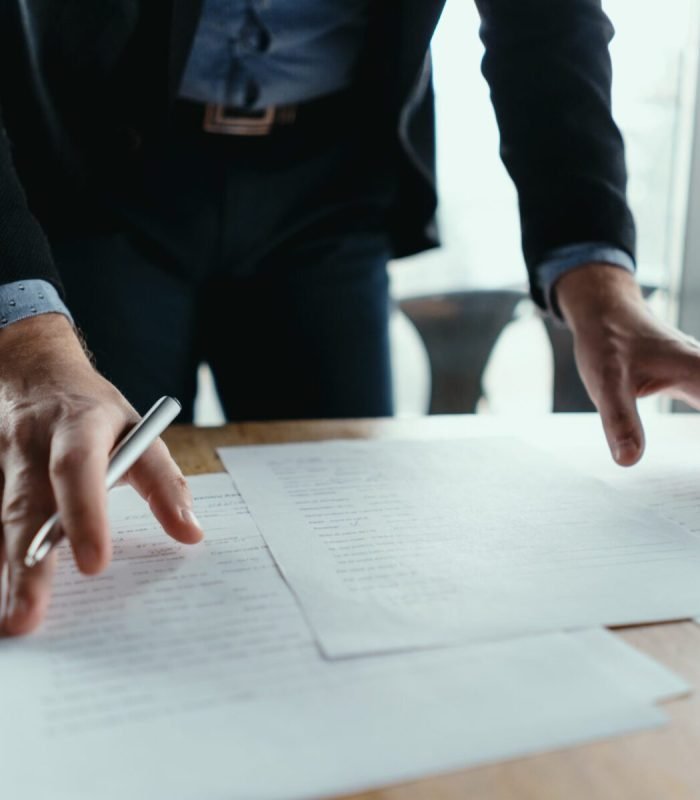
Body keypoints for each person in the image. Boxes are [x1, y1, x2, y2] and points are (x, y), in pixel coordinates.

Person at [1, 0, 699, 637]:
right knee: (90, 505)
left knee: (351, 542)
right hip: (91, 160)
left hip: (334, 180)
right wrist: (26, 340)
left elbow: (546, 20)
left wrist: (597, 273)